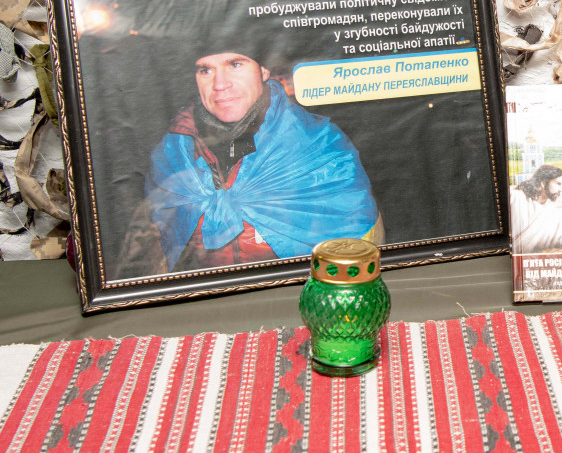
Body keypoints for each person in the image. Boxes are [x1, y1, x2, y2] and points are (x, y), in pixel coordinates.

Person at [115, 44, 383, 278]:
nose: (220, 84)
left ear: (263, 70)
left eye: (235, 64)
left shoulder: (318, 146)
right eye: (205, 70)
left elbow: (361, 243)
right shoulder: (174, 152)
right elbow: (152, 253)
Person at [510, 164, 562, 253]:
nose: (560, 189)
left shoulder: (551, 214)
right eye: (558, 184)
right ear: (543, 183)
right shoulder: (516, 197)